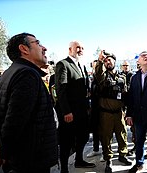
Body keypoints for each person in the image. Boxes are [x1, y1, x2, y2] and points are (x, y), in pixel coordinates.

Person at [0, 33, 58, 173]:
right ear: (24, 49)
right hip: (30, 161)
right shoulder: (27, 75)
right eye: (37, 43)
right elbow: (14, 120)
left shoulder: (13, 72)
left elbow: (1, 115)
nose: (44, 48)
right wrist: (2, 151)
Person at [55, 41, 95, 173]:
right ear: (70, 49)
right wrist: (66, 111)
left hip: (82, 112)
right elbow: (61, 90)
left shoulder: (81, 66)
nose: (80, 50)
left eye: (82, 48)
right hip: (70, 113)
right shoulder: (63, 64)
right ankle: (64, 169)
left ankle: (79, 160)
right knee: (67, 141)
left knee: (83, 137)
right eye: (77, 47)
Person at [95, 50, 132, 173]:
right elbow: (98, 72)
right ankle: (108, 159)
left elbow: (125, 94)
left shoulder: (122, 77)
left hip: (119, 112)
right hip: (106, 114)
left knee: (122, 135)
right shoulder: (102, 77)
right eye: (105, 61)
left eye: (109, 59)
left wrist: (127, 112)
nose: (108, 62)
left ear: (115, 61)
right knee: (106, 137)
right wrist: (100, 61)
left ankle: (123, 155)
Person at [87, 60, 103, 160]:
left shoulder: (101, 78)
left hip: (102, 108)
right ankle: (96, 149)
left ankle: (105, 152)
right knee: (95, 130)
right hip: (93, 108)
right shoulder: (90, 78)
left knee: (104, 131)